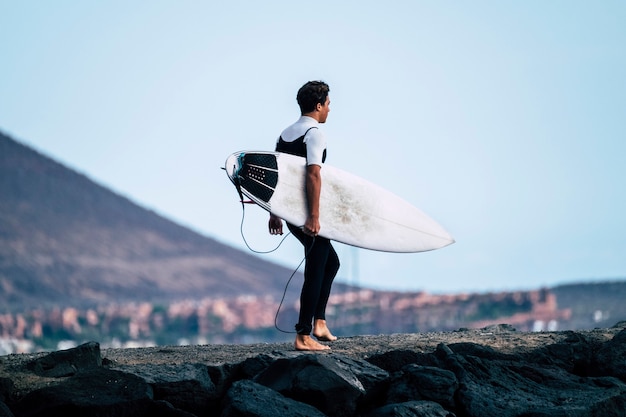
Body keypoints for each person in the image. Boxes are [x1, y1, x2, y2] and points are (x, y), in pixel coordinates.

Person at [268, 81, 340, 351]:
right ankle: (303, 335)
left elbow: (278, 177)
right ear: (319, 105)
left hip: (290, 212)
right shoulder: (315, 133)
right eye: (329, 104)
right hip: (305, 214)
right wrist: (314, 217)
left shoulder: (284, 134)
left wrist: (274, 213)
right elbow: (313, 174)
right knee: (316, 268)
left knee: (330, 263)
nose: (330, 110)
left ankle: (319, 322)